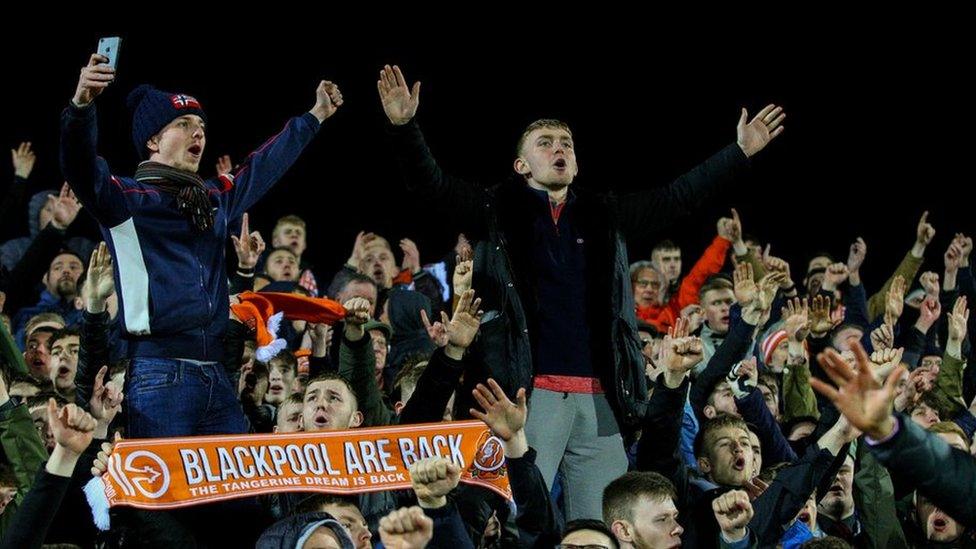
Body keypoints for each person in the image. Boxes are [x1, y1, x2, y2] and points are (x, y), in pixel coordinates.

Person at [378, 63, 786, 519]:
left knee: (606, 528)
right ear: (521, 164)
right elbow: (431, 186)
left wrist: (740, 152)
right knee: (512, 522)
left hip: (601, 402)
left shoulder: (604, 215)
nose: (559, 150)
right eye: (545, 143)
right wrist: (404, 127)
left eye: (566, 144)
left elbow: (678, 196)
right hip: (524, 398)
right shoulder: (495, 210)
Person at [60, 49, 343, 438]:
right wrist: (80, 107)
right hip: (159, 375)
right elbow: (79, 165)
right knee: (168, 499)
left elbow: (263, 165)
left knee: (237, 500)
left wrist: (314, 117)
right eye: (184, 123)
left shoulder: (213, 199)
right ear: (153, 140)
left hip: (216, 373)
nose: (199, 133)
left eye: (202, 126)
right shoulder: (125, 200)